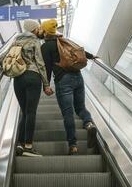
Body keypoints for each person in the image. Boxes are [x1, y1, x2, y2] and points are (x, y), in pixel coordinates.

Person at [41, 19, 97, 155]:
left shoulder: (46, 47)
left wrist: (46, 84)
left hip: (63, 81)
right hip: (78, 77)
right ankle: (89, 124)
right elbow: (80, 52)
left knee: (68, 114)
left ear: (45, 31)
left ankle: (73, 145)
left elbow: (47, 68)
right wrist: (92, 56)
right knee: (81, 108)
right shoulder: (64, 40)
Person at [12, 19, 53, 157]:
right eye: (37, 28)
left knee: (25, 112)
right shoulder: (35, 40)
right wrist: (46, 84)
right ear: (34, 29)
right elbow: (40, 63)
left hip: (17, 79)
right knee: (31, 112)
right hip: (33, 77)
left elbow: (3, 59)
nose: (39, 30)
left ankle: (19, 144)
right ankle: (28, 146)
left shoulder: (16, 40)